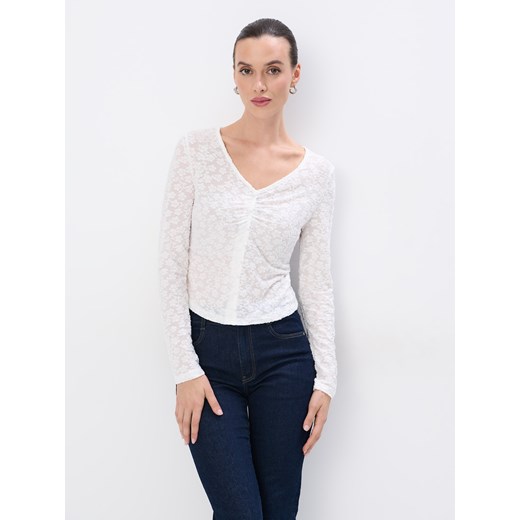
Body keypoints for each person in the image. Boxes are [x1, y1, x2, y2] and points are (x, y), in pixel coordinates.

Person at [158, 17, 337, 520]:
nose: (259, 84)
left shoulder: (316, 175)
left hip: (284, 355)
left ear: (294, 75)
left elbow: (316, 281)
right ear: (233, 75)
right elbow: (171, 264)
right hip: (208, 354)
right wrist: (185, 369)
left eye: (273, 70)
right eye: (246, 70)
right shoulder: (196, 152)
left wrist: (327, 379)